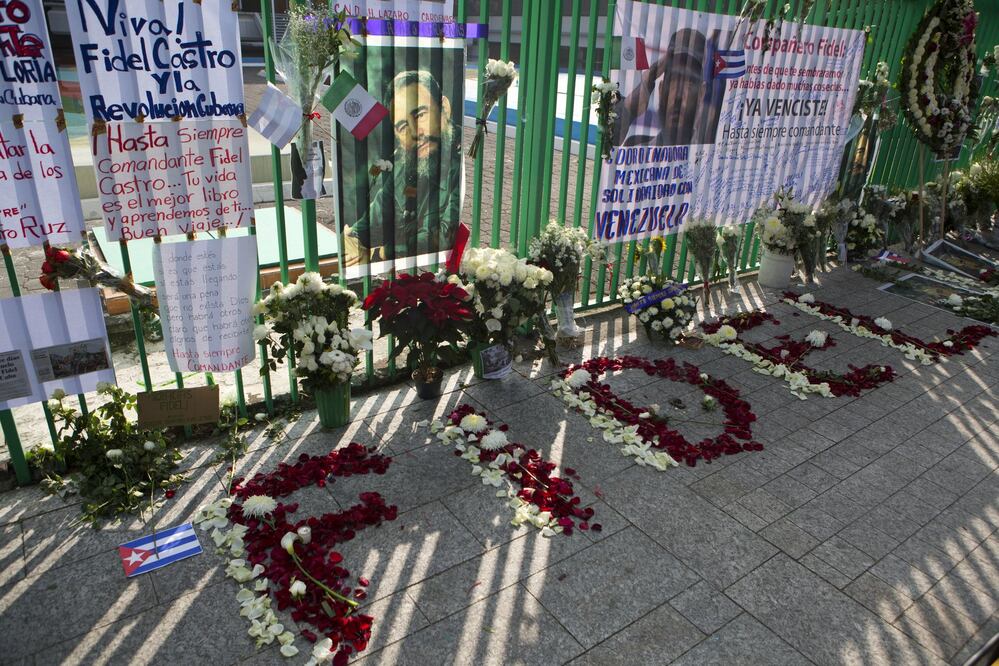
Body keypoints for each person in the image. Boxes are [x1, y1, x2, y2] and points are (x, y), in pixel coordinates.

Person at [343, 70, 462, 265]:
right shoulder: (403, 168)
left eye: (420, 115)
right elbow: (369, 223)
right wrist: (353, 238)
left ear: (444, 108)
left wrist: (382, 253)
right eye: (403, 127)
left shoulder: (461, 162)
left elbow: (443, 237)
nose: (414, 133)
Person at [615, 28, 724, 147]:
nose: (678, 96)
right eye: (672, 82)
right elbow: (605, 145)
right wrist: (632, 106)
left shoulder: (709, 152)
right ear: (661, 89)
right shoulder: (635, 147)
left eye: (688, 85)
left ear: (701, 93)